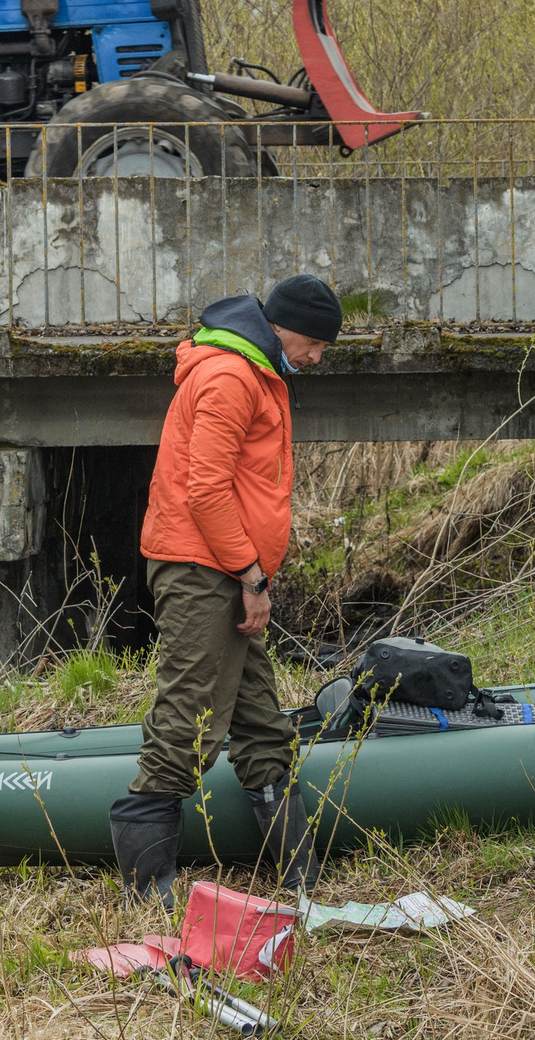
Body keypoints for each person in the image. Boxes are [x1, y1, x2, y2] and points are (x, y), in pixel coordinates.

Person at [106, 274, 342, 906]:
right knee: (190, 718)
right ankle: (145, 892)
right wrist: (253, 575)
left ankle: (299, 880)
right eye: (316, 343)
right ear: (284, 327)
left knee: (263, 723)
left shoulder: (259, 372)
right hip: (201, 567)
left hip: (224, 567)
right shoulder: (232, 377)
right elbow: (205, 489)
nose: (318, 357)